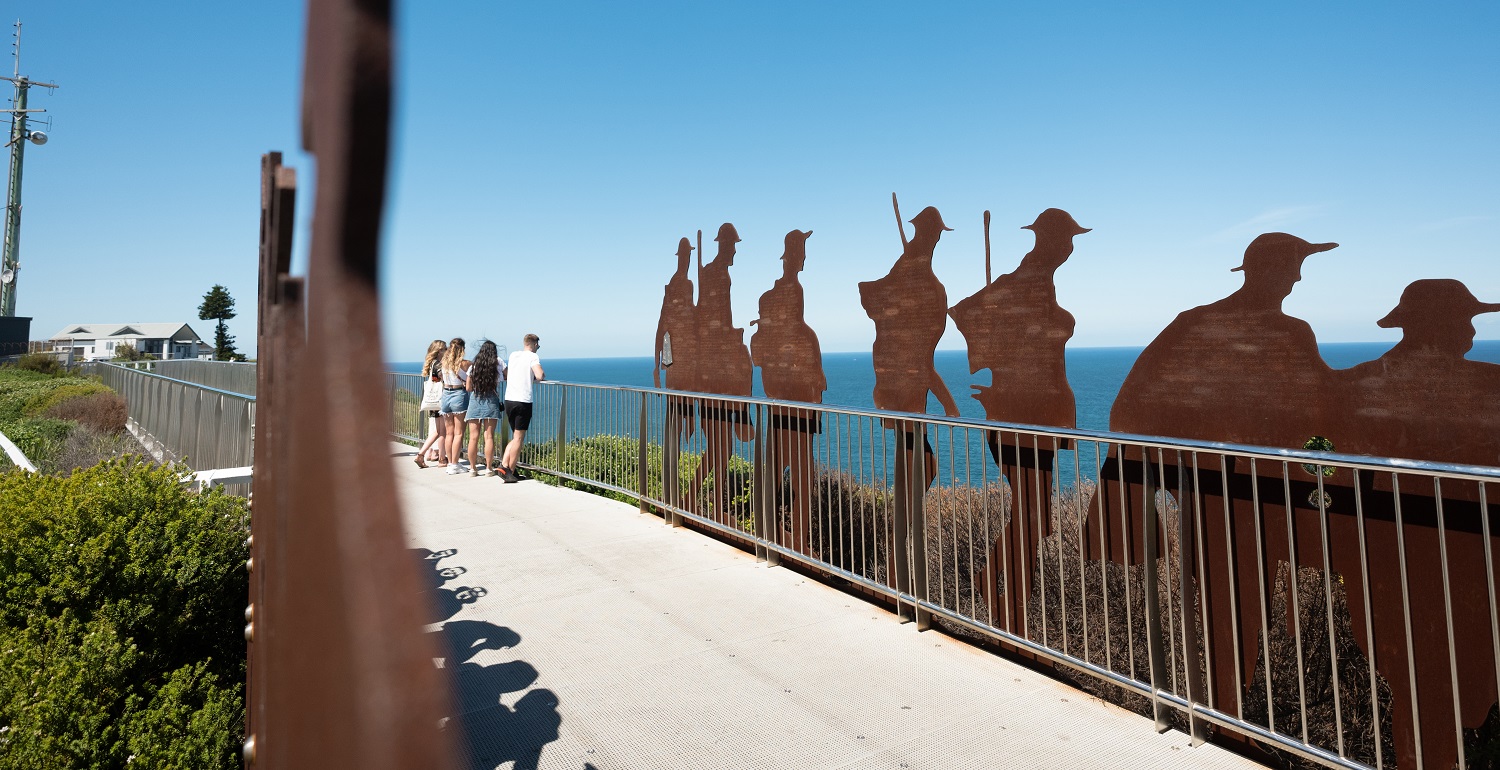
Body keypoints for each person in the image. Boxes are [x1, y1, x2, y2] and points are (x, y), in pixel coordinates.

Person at [1110, 232, 1339, 447]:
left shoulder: (1192, 320)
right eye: (1292, 266)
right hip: (1216, 459)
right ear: (1269, 270)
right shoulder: (1291, 331)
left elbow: (1321, 389)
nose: (1298, 277)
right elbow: (1323, 391)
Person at [750, 229, 825, 553]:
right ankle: (789, 536)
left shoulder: (772, 297)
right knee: (801, 472)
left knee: (786, 467)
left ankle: (778, 532)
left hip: (782, 395)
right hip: (794, 395)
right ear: (794, 255)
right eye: (802, 251)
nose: (804, 258)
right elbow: (796, 331)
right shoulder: (788, 291)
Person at [498, 334, 544, 483]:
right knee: (519, 437)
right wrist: (539, 376)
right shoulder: (532, 357)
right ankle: (509, 471)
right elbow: (540, 375)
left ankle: (504, 465)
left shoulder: (514, 355)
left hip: (509, 399)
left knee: (515, 436)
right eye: (538, 344)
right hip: (523, 401)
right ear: (535, 344)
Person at [464, 340, 505, 477]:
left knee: (473, 437)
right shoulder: (498, 363)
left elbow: (468, 388)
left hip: (475, 400)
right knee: (489, 437)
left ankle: (472, 468)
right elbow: (506, 375)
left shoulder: (474, 365)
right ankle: (488, 468)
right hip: (491, 400)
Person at [414, 339, 449, 468]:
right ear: (440, 350)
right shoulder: (438, 364)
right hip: (440, 400)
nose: (447, 351)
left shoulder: (431, 364)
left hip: (433, 401)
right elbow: (442, 378)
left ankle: (421, 455)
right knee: (442, 432)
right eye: (445, 349)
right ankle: (442, 459)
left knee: (437, 432)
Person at [439, 337, 471, 476]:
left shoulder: (444, 363)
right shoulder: (465, 363)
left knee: (449, 433)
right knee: (459, 433)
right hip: (458, 394)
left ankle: (450, 463)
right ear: (462, 349)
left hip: (446, 394)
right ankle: (454, 464)